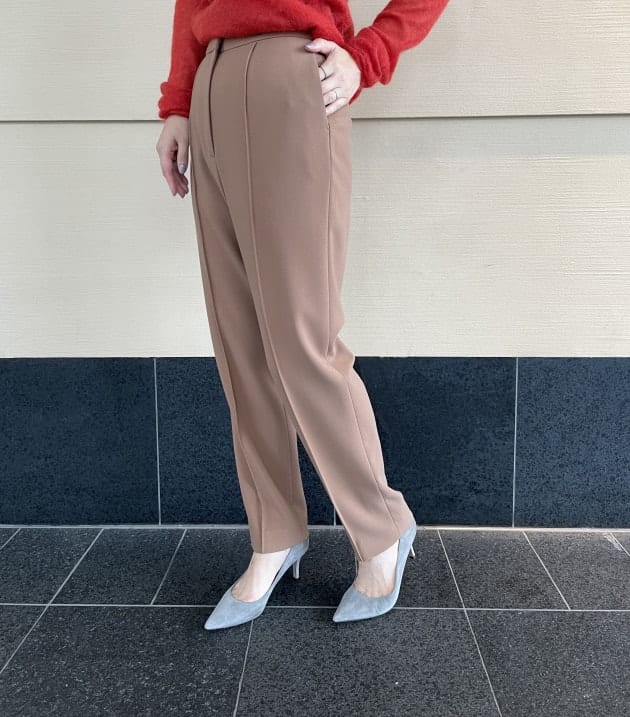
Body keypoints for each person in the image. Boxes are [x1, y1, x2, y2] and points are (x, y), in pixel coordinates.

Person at [155, 0, 450, 628]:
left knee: (302, 337)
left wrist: (367, 55)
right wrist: (179, 103)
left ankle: (381, 527)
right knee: (239, 340)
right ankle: (274, 532)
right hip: (212, 83)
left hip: (294, 78)